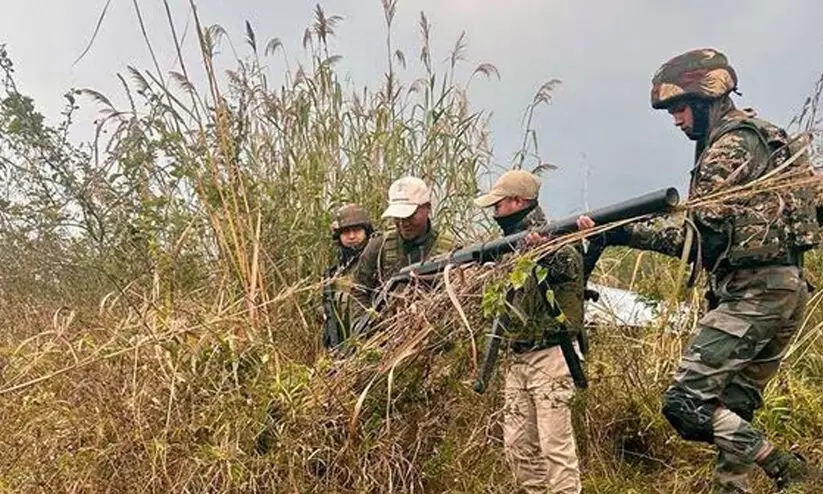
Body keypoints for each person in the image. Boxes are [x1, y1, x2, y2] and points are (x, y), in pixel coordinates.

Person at [581, 48, 822, 493]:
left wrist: (619, 232)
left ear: (706, 99)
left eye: (679, 108)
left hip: (753, 292)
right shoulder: (774, 139)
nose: (675, 120)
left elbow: (692, 241)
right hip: (789, 289)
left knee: (685, 403)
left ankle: (785, 466)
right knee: (733, 406)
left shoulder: (727, 147)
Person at [475, 169, 585, 494]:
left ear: (517, 202)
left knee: (555, 447)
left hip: (552, 353)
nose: (494, 212)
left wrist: (542, 251)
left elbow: (569, 266)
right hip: (517, 354)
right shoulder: (505, 245)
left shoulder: (554, 236)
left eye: (498, 205)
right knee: (517, 447)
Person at [350, 176, 454, 327]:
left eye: (410, 216)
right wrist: (365, 324)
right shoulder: (379, 245)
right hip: (384, 336)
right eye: (397, 217)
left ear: (427, 208)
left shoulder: (449, 250)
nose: (404, 223)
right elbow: (358, 289)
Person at [321, 203, 374, 349]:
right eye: (346, 232)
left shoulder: (376, 262)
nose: (351, 236)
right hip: (342, 346)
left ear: (366, 231)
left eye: (357, 230)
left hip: (370, 343)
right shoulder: (334, 272)